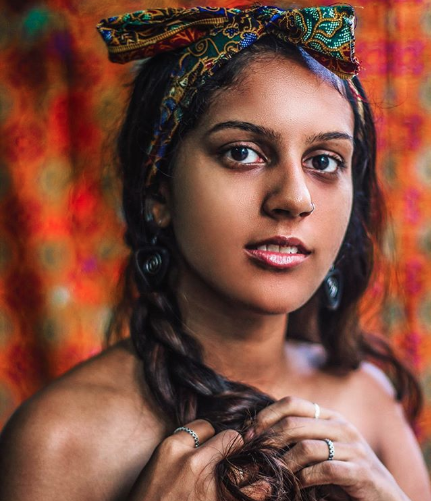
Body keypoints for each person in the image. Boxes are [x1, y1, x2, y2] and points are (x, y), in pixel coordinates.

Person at [0, 4, 430, 501]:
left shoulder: (370, 404)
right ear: (158, 192)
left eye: (324, 161)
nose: (295, 198)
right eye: (242, 153)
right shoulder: (59, 442)